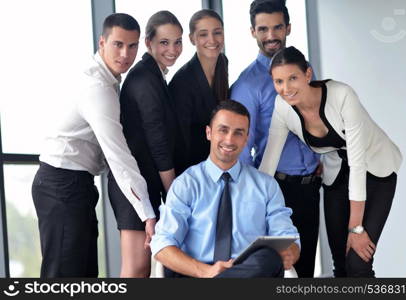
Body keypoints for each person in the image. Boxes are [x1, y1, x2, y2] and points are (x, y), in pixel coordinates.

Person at [259, 46, 402, 277]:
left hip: (375, 169)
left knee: (358, 261)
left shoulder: (342, 95)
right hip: (337, 173)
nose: (286, 89)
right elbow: (268, 164)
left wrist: (356, 229)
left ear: (308, 74)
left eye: (293, 78)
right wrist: (248, 206)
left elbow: (357, 165)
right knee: (341, 264)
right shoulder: (282, 106)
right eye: (279, 81)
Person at [31, 13, 156, 278]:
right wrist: (147, 213)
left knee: (85, 275)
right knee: (63, 278)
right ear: (102, 43)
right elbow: (118, 156)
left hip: (77, 184)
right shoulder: (97, 88)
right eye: (118, 44)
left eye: (132, 46)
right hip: (61, 184)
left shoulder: (109, 80)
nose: (125, 53)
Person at [150, 100, 300, 278]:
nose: (229, 139)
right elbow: (162, 245)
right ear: (209, 133)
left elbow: (288, 237)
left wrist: (290, 252)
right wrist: (207, 272)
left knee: (268, 258)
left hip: (249, 273)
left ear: (246, 139)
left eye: (238, 133)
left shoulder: (266, 185)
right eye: (223, 130)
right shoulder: (186, 184)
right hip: (197, 272)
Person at [230, 0, 320, 277]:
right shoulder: (247, 85)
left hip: (310, 187)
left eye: (277, 27)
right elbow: (241, 147)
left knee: (304, 271)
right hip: (276, 190)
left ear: (288, 28)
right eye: (263, 29)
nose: (271, 35)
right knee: (278, 273)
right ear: (253, 32)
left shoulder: (304, 70)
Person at [107, 10, 183, 278]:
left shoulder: (155, 75)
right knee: (136, 269)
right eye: (164, 42)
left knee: (144, 269)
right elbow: (157, 141)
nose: (172, 49)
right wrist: (173, 192)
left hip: (147, 182)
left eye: (177, 41)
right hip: (133, 188)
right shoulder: (144, 78)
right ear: (149, 43)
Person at [169, 9, 229, 176]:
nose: (212, 40)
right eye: (203, 34)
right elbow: (180, 142)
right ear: (191, 39)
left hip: (218, 164)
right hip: (192, 170)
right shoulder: (182, 81)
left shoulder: (222, 63)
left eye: (217, 33)